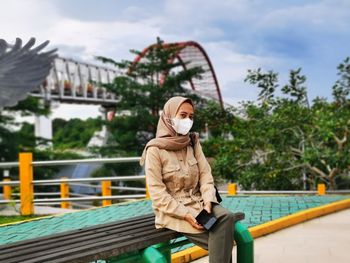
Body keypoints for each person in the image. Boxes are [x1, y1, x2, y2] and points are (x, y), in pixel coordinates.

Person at [140, 96, 236, 263]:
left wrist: (208, 200)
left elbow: (206, 174)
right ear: (169, 116)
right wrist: (186, 215)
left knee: (227, 217)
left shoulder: (192, 142)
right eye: (183, 115)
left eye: (191, 117)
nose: (187, 120)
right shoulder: (154, 150)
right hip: (175, 211)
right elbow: (157, 194)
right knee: (222, 241)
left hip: (200, 203)